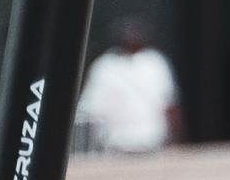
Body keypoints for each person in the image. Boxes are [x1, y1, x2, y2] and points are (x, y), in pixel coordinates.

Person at [75, 17, 183, 153]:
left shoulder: (155, 62)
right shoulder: (105, 66)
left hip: (152, 143)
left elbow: (169, 105)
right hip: (116, 146)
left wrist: (176, 140)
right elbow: (90, 111)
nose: (131, 37)